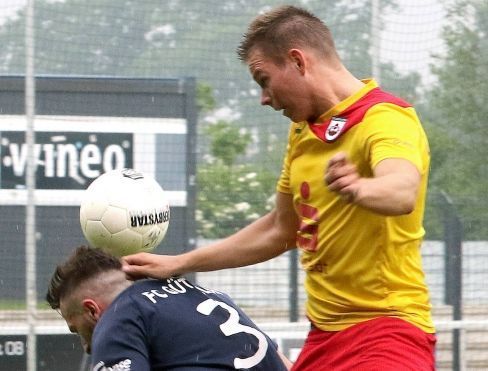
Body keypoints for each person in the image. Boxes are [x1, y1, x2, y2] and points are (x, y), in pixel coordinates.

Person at [122, 5, 436, 370]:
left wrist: (360, 188)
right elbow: (280, 229)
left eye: (263, 79)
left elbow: (401, 191)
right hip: (325, 336)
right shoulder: (303, 130)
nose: (264, 98)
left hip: (387, 331)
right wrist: (180, 263)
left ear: (298, 61)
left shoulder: (385, 118)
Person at [46, 246, 292, 370]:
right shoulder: (206, 295)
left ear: (92, 310)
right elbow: (284, 363)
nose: (87, 347)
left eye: (76, 330)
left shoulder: (118, 316)